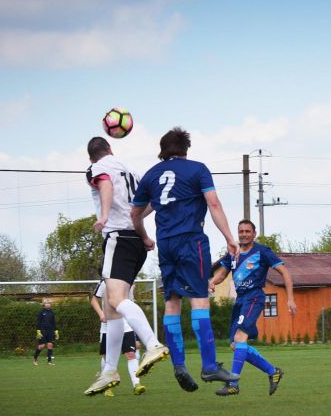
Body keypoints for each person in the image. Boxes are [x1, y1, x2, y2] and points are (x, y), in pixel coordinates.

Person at [131, 127, 240, 393]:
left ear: (162, 150)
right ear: (185, 149)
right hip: (191, 242)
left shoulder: (151, 175)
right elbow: (213, 204)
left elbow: (135, 214)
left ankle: (179, 366)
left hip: (165, 245)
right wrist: (229, 237)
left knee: (172, 304)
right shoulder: (197, 169)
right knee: (200, 301)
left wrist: (145, 238)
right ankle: (209, 365)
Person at [83, 136, 169, 396]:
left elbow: (106, 186)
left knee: (117, 300)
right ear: (111, 149)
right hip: (135, 241)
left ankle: (153, 344)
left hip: (118, 238)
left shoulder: (98, 169)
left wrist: (105, 215)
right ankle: (109, 369)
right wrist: (141, 228)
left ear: (91, 157)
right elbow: (151, 201)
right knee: (111, 308)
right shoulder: (133, 171)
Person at [207, 219, 296, 396]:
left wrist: (290, 299)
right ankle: (273, 372)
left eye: (248, 231)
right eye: (241, 231)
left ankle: (233, 384)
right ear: (238, 233)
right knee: (235, 344)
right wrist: (211, 282)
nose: (244, 234)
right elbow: (223, 273)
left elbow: (284, 272)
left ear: (254, 234)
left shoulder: (262, 252)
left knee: (240, 338)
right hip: (240, 300)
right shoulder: (233, 252)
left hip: (254, 297)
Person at [90, 281, 146, 395]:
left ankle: (136, 384)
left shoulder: (127, 281)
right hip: (108, 325)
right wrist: (101, 314)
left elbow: (130, 302)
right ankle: (106, 386)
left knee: (131, 354)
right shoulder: (104, 282)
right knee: (107, 358)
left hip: (126, 326)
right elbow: (94, 300)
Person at [33, 298, 58, 366]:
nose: (48, 304)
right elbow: (38, 322)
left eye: (49, 303)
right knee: (41, 346)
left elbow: (54, 322)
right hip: (42, 331)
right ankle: (35, 358)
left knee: (50, 345)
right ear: (44, 304)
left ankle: (49, 362)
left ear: (51, 304)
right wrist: (38, 331)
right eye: (46, 303)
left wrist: (56, 331)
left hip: (50, 331)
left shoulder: (52, 312)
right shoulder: (41, 312)